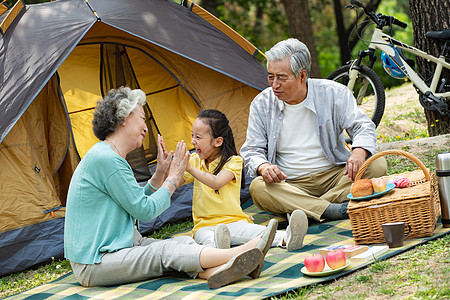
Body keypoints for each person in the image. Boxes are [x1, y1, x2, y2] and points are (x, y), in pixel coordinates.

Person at [64, 87, 275, 289]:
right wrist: (172, 178)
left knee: (182, 242)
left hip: (119, 245)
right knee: (165, 252)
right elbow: (144, 211)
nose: (146, 128)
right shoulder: (106, 159)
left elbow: (134, 201)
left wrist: (158, 176)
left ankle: (218, 271)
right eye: (142, 119)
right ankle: (241, 253)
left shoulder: (108, 156)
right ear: (124, 119)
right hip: (96, 261)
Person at [240, 38, 387, 223]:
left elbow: (363, 126)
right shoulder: (262, 103)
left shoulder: (333, 93)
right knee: (258, 187)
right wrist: (263, 166)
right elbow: (252, 149)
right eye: (271, 76)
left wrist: (359, 150)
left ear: (302, 76)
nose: (274, 84)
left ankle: (307, 210)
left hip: (336, 175)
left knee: (376, 164)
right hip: (289, 183)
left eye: (282, 77)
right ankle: (330, 209)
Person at [182, 109, 309, 278]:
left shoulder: (233, 161)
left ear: (218, 141)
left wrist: (189, 168)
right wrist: (166, 166)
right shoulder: (194, 161)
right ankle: (222, 250)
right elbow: (175, 181)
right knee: (208, 242)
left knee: (258, 233)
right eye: (192, 136)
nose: (193, 141)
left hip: (233, 221)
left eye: (198, 137)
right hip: (204, 226)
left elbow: (216, 182)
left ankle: (288, 237)